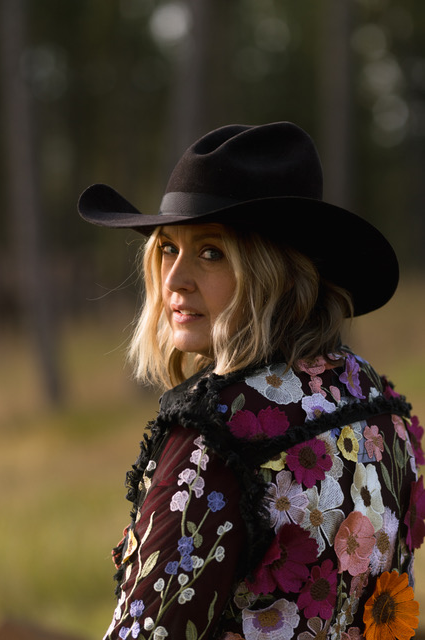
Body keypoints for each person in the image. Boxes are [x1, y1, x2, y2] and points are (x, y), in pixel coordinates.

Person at [78, 122, 424, 640]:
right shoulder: (378, 406)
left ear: (274, 273)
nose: (174, 279)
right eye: (168, 248)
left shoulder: (219, 436)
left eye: (211, 252)